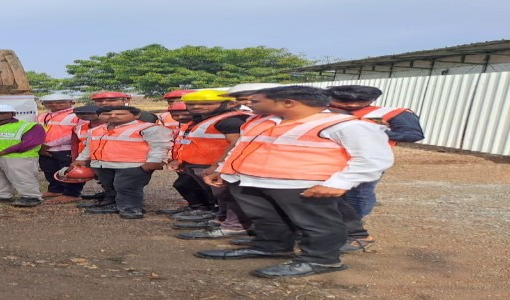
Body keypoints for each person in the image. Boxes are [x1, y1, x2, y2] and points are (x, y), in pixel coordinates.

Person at [198, 86, 394, 278]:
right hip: (251, 181)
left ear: (288, 103)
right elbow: (242, 147)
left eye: (255, 101)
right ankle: (272, 247)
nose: (249, 104)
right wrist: (223, 169)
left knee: (317, 224)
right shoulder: (262, 121)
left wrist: (340, 183)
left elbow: (372, 158)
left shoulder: (345, 125)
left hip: (300, 185)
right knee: (267, 219)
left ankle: (321, 259)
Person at [327, 85, 425, 252]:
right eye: (343, 102)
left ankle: (355, 226)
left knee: (359, 192)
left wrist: (376, 131)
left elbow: (413, 134)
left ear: (370, 100)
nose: (350, 106)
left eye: (356, 102)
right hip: (327, 160)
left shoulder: (392, 113)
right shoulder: (323, 110)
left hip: (366, 160)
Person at [165, 90, 254, 240]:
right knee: (220, 197)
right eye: (191, 104)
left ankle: (234, 226)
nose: (197, 106)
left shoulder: (231, 120)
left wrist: (217, 166)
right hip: (201, 165)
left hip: (217, 167)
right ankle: (221, 219)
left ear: (229, 103)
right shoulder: (204, 119)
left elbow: (236, 144)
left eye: (207, 103)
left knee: (229, 196)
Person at [71, 106, 173, 219]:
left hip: (132, 166)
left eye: (120, 114)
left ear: (136, 115)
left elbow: (160, 146)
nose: (113, 116)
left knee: (126, 187)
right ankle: (113, 204)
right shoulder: (96, 130)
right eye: (107, 114)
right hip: (103, 164)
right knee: (109, 186)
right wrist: (80, 159)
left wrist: (154, 161)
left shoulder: (148, 128)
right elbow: (89, 146)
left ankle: (131, 208)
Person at [35, 93, 83, 204]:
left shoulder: (77, 115)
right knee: (49, 170)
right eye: (50, 102)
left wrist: (50, 144)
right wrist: (40, 146)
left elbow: (75, 134)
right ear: (43, 104)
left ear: (71, 102)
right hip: (45, 149)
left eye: (60, 102)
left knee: (69, 172)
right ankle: (56, 190)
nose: (55, 104)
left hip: (66, 148)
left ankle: (72, 194)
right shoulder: (42, 116)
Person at [90, 91, 159, 123]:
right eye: (99, 101)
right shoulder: (89, 116)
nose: (104, 103)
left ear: (126, 101)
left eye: (111, 100)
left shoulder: (143, 116)